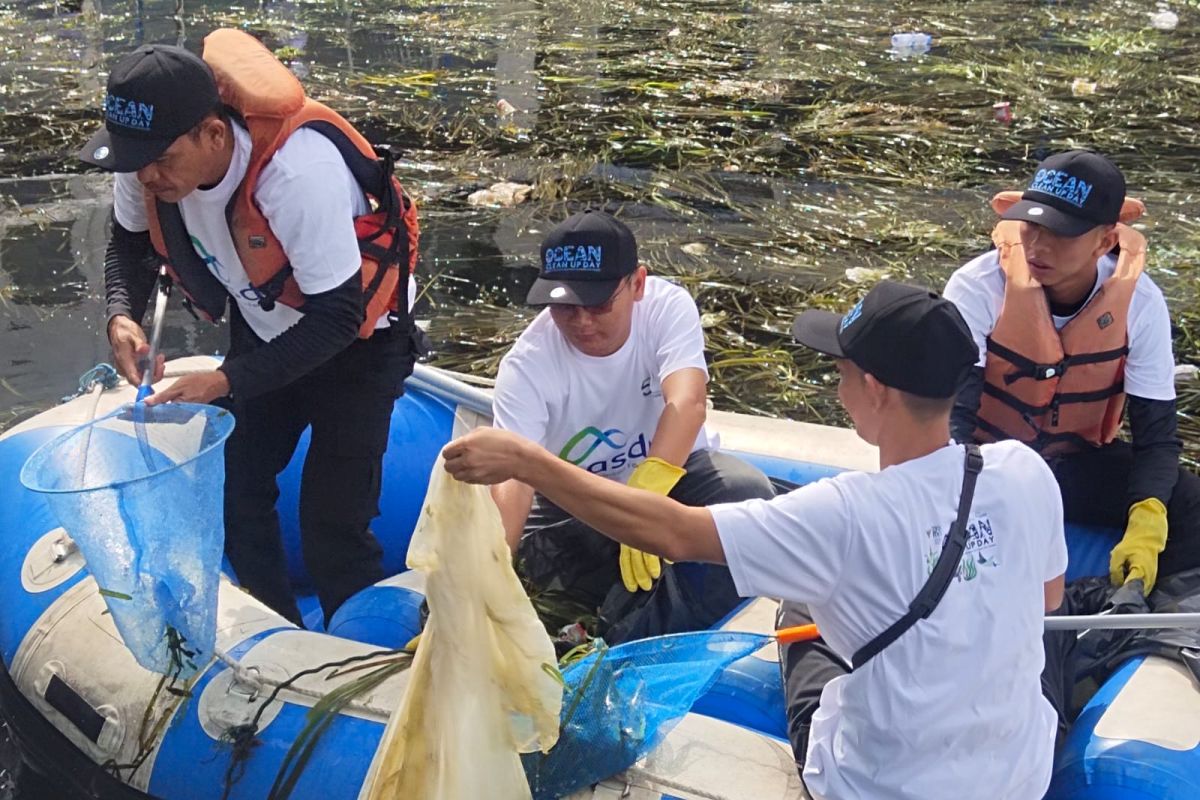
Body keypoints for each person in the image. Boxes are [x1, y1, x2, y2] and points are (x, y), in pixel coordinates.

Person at [445, 280, 1067, 800]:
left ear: (874, 388)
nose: (838, 384)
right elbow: (1045, 601)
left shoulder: (842, 516)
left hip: (885, 785)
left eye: (841, 369)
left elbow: (671, 532)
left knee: (796, 612)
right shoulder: (1022, 470)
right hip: (1019, 776)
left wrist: (528, 461)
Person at [79, 31, 423, 626]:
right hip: (266, 327)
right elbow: (128, 246)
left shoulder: (293, 174)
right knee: (235, 492)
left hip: (360, 344)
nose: (148, 177)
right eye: (137, 162)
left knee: (333, 522)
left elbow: (339, 316)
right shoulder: (144, 164)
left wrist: (224, 381)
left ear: (213, 135)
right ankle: (279, 633)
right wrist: (121, 314)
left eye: (163, 160)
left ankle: (366, 652)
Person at [489, 209, 774, 644]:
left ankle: (624, 641)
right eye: (564, 306)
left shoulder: (666, 308)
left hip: (674, 480)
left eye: (600, 305)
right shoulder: (527, 366)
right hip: (577, 499)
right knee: (534, 563)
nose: (582, 322)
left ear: (637, 284)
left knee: (746, 494)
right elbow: (514, 480)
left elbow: (688, 401)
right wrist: (489, 570)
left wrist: (645, 499)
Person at [944, 150, 1200, 598]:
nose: (1037, 247)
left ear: (1104, 242)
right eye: (1031, 226)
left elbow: (1156, 439)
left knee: (1190, 502)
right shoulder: (977, 286)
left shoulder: (1141, 303)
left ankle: (1133, 612)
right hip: (987, 466)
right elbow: (952, 419)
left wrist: (1147, 520)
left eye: (1060, 234)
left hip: (1073, 465)